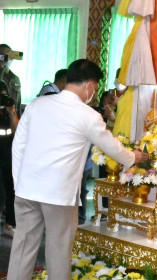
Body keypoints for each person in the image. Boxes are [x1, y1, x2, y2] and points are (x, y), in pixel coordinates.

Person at [8, 59, 149, 280]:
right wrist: (134, 157)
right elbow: (113, 147)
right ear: (90, 87)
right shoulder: (88, 115)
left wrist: (20, 182)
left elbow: (18, 146)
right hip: (60, 196)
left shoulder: (37, 104)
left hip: (27, 189)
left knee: (22, 248)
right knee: (59, 251)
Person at [0, 80, 17, 238]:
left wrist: (11, 112)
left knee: (11, 191)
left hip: (7, 156)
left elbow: (15, 130)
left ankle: (9, 224)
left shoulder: (8, 111)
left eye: (5, 96)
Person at [0, 44, 21, 118]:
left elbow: (18, 104)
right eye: (6, 55)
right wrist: (1, 65)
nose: (9, 58)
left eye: (11, 55)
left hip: (12, 119)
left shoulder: (16, 79)